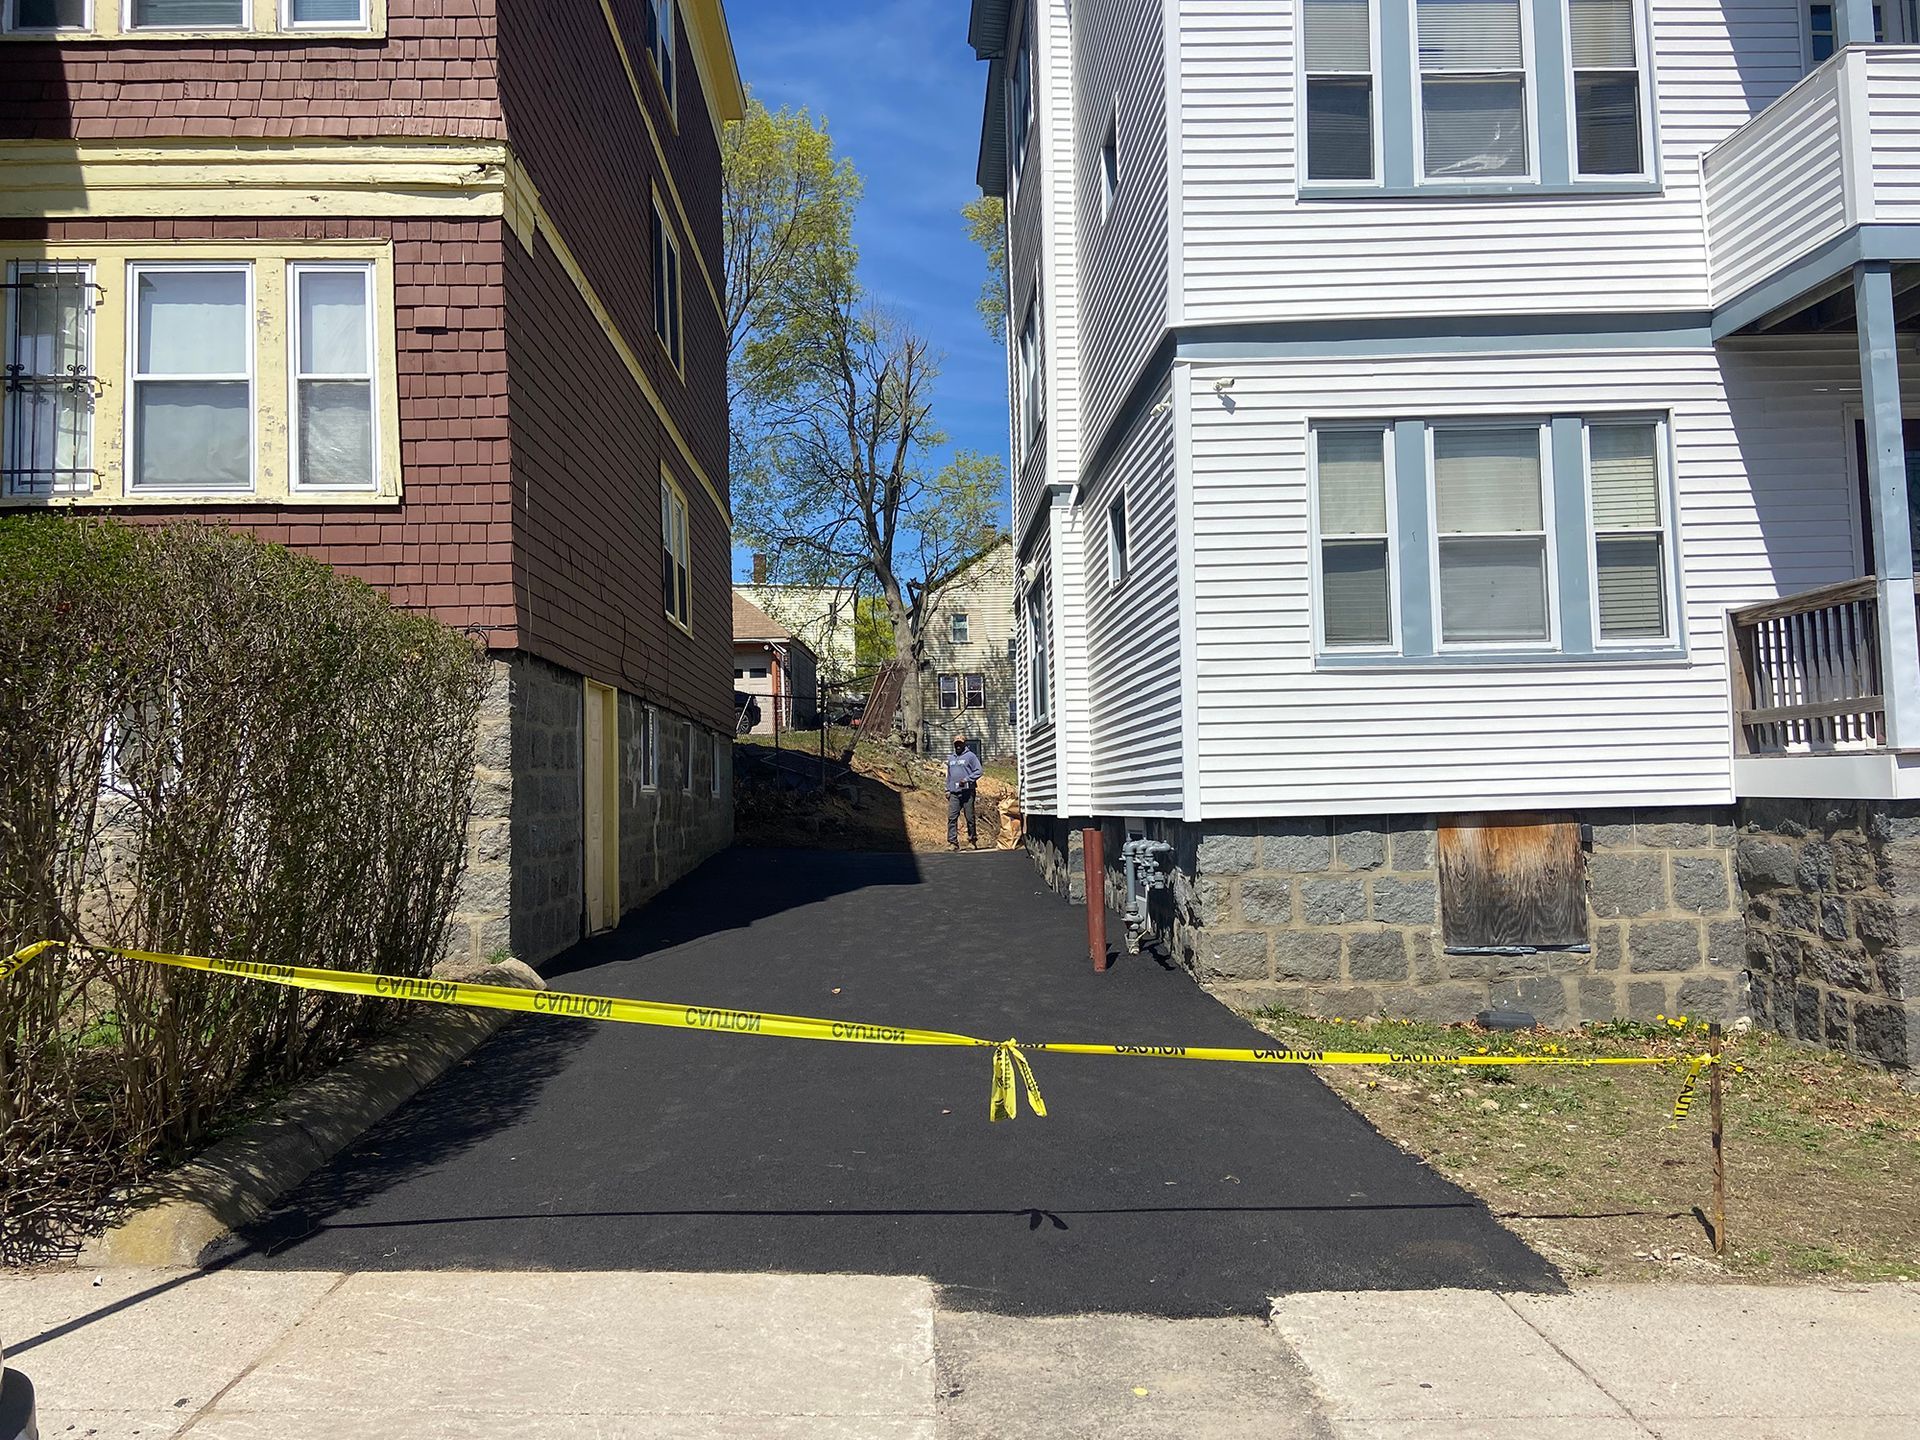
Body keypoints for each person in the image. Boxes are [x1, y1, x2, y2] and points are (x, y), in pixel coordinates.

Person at [946, 732, 983, 850]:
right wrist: (947, 789)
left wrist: (967, 779)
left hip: (968, 791)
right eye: (956, 743)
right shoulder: (951, 758)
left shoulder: (970, 756)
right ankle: (953, 842)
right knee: (952, 817)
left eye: (960, 743)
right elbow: (949, 775)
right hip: (954, 792)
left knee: (970, 817)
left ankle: (972, 841)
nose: (958, 746)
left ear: (964, 744)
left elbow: (979, 771)